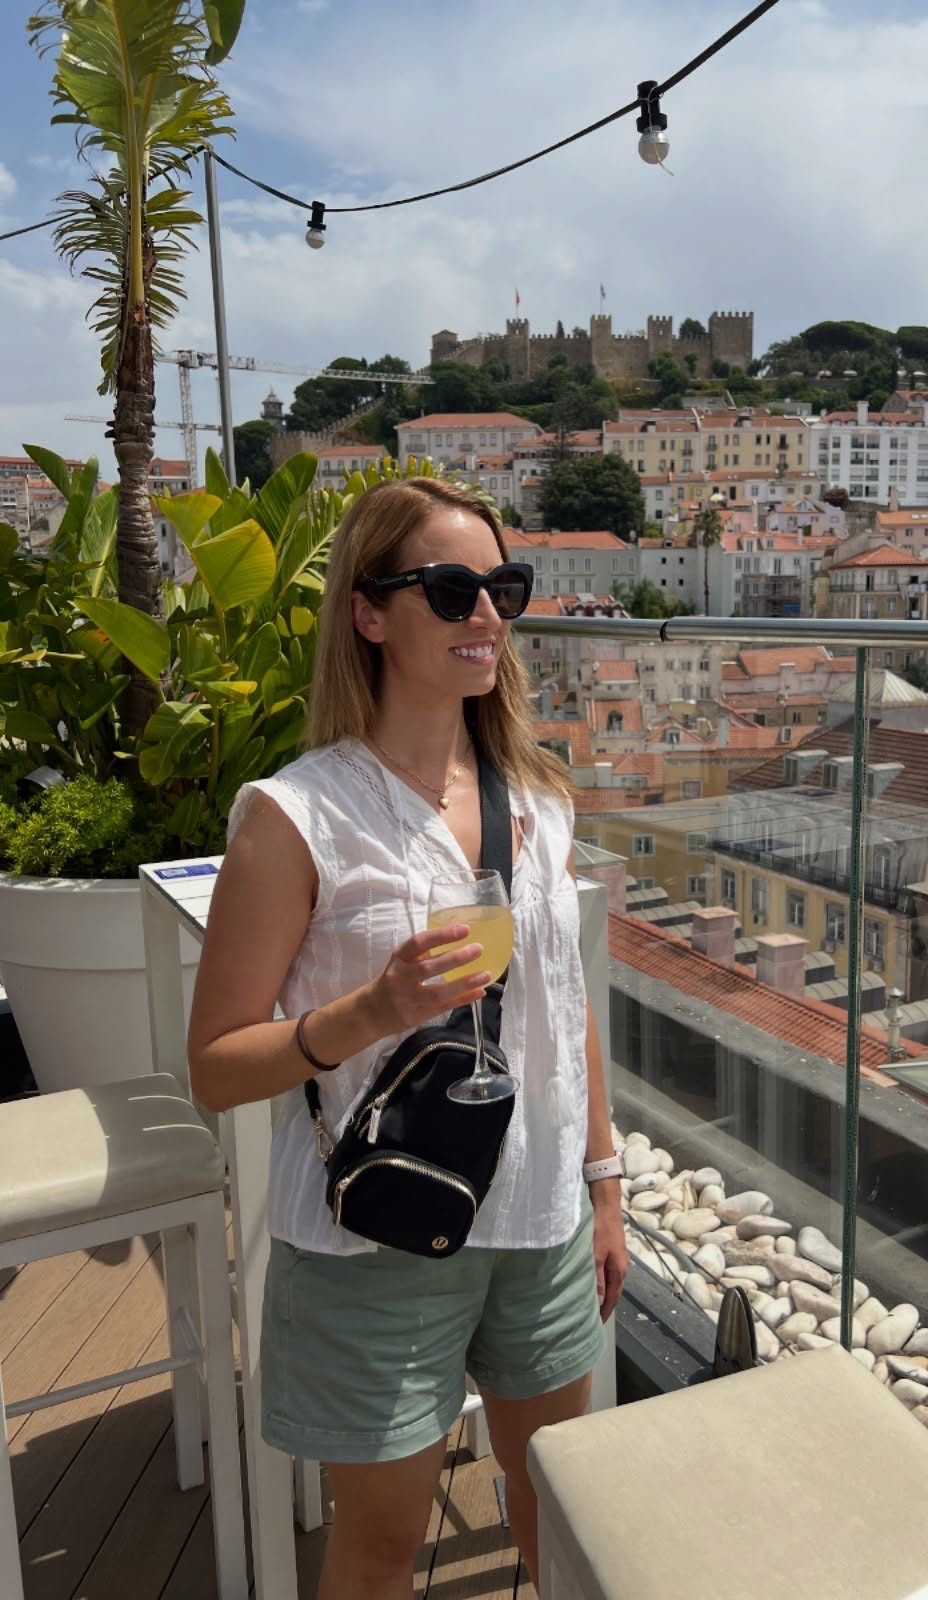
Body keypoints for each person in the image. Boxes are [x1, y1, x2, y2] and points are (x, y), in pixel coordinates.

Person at [189, 477, 628, 1598]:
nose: (486, 614)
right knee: (381, 1553)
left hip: (537, 1217)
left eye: (503, 588)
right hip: (375, 1231)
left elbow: (562, 1003)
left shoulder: (538, 799)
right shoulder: (297, 817)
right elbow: (215, 1065)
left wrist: (605, 1183)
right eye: (451, 588)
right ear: (371, 612)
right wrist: (369, 1012)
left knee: (558, 1514)